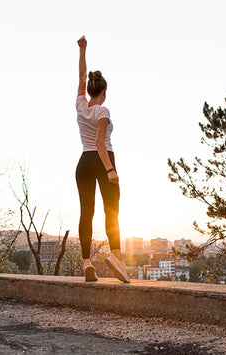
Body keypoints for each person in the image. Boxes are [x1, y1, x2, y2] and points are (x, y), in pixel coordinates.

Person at [75, 35, 130, 283]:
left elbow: (81, 75)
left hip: (83, 163)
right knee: (112, 211)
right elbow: (100, 143)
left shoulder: (80, 105)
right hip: (102, 159)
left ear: (88, 90)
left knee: (87, 212)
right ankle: (116, 258)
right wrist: (110, 170)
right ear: (104, 92)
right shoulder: (103, 110)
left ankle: (87, 264)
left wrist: (83, 50)